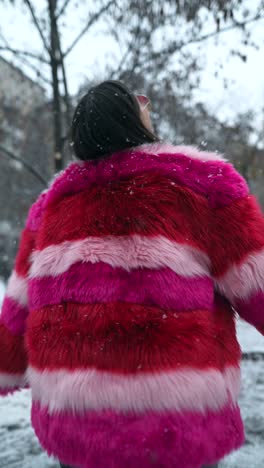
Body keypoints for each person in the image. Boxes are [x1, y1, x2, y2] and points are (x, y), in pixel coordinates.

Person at [0, 80, 264, 468]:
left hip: (79, 424)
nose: (147, 105)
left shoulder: (49, 207)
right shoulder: (200, 184)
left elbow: (18, 310)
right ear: (131, 118)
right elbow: (255, 283)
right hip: (175, 423)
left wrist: (6, 369)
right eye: (140, 101)